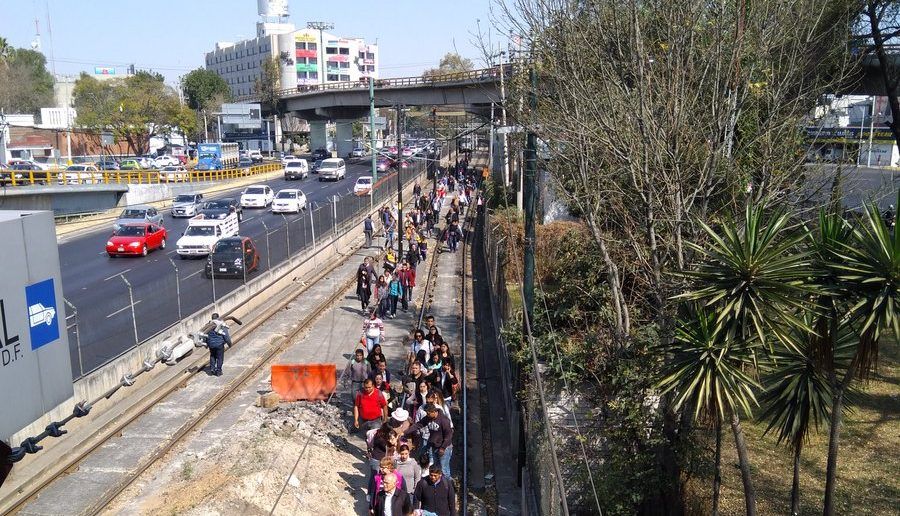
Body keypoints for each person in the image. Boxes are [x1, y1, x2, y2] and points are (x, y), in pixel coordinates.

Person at [405, 404, 453, 478]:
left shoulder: (444, 420)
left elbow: (449, 435)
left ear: (434, 412)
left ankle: (448, 486)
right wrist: (406, 432)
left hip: (444, 447)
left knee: (444, 469)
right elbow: (418, 425)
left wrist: (443, 447)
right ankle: (439, 484)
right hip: (434, 446)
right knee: (437, 467)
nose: (427, 415)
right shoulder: (428, 418)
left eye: (428, 413)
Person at [205, 312, 231, 377]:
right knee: (220, 357)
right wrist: (229, 344)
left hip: (211, 344)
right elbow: (226, 336)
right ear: (218, 318)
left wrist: (207, 344)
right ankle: (218, 371)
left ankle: (212, 369)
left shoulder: (207, 325)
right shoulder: (221, 325)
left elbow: (205, 335)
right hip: (219, 344)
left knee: (212, 356)